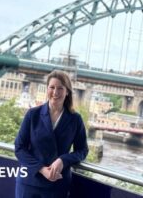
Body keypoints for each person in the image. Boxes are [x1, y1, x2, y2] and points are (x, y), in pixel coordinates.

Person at [15, 70, 89, 198]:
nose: (55, 92)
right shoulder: (33, 114)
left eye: (60, 88)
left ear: (67, 92)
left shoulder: (75, 119)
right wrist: (42, 169)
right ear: (47, 89)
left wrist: (63, 160)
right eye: (52, 87)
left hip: (57, 185)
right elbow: (19, 148)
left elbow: (82, 150)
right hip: (30, 182)